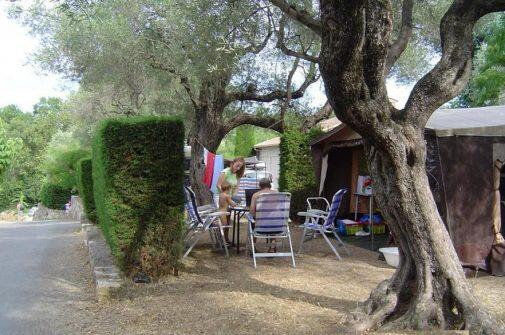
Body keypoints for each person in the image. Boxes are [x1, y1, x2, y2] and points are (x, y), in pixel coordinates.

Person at [249, 178, 278, 252]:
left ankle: (253, 248)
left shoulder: (256, 195)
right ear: (270, 185)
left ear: (260, 186)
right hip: (277, 227)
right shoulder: (278, 194)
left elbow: (252, 212)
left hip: (260, 227)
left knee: (253, 221)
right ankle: (272, 247)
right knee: (273, 220)